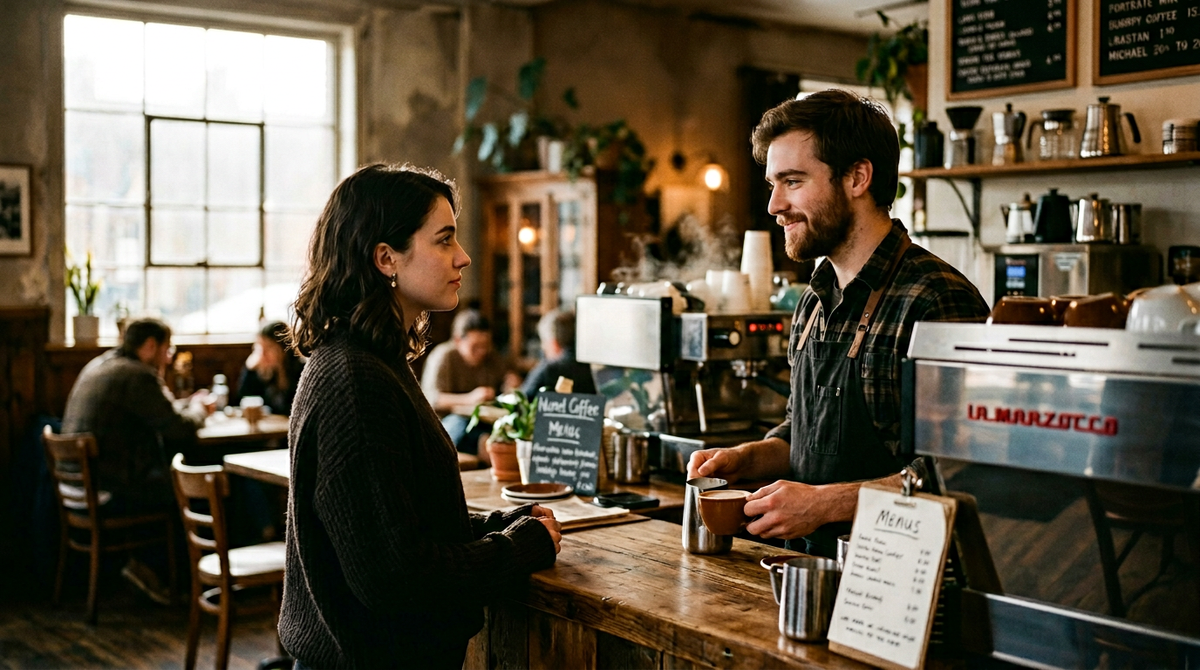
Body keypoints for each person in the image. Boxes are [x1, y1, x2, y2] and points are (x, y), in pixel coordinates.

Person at [688, 90, 990, 558]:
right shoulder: (814, 300)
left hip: (900, 576)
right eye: (773, 183)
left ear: (857, 177)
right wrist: (751, 457)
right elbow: (807, 434)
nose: (773, 205)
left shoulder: (937, 299)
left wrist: (826, 504)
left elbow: (966, 471)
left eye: (792, 181)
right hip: (804, 568)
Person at [282, 163, 561, 669]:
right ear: (386, 258)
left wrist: (500, 524)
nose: (464, 256)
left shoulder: (374, 360)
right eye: (444, 240)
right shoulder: (355, 379)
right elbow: (396, 577)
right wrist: (517, 550)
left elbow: (398, 522)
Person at [60, 317, 207, 603]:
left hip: (75, 489)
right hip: (108, 491)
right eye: (167, 350)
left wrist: (186, 406)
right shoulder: (137, 375)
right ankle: (185, 582)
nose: (168, 358)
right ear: (150, 345)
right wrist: (200, 410)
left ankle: (149, 568)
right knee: (194, 490)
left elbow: (159, 415)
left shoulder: (101, 364)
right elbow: (178, 428)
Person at [420, 309, 518, 451]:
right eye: (475, 347)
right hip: (449, 422)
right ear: (458, 340)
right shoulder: (444, 356)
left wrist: (511, 385)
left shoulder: (491, 357)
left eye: (485, 346)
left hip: (484, 421)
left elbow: (505, 381)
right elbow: (431, 399)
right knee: (471, 432)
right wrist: (470, 398)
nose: (482, 351)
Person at [231, 320, 304, 416]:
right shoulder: (265, 372)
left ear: (284, 348)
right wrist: (249, 369)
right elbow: (244, 399)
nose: (263, 354)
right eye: (260, 348)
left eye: (269, 347)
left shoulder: (300, 371)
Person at [520, 308, 597, 399]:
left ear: (554, 343)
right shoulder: (593, 367)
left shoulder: (548, 371)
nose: (543, 347)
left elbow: (522, 402)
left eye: (544, 342)